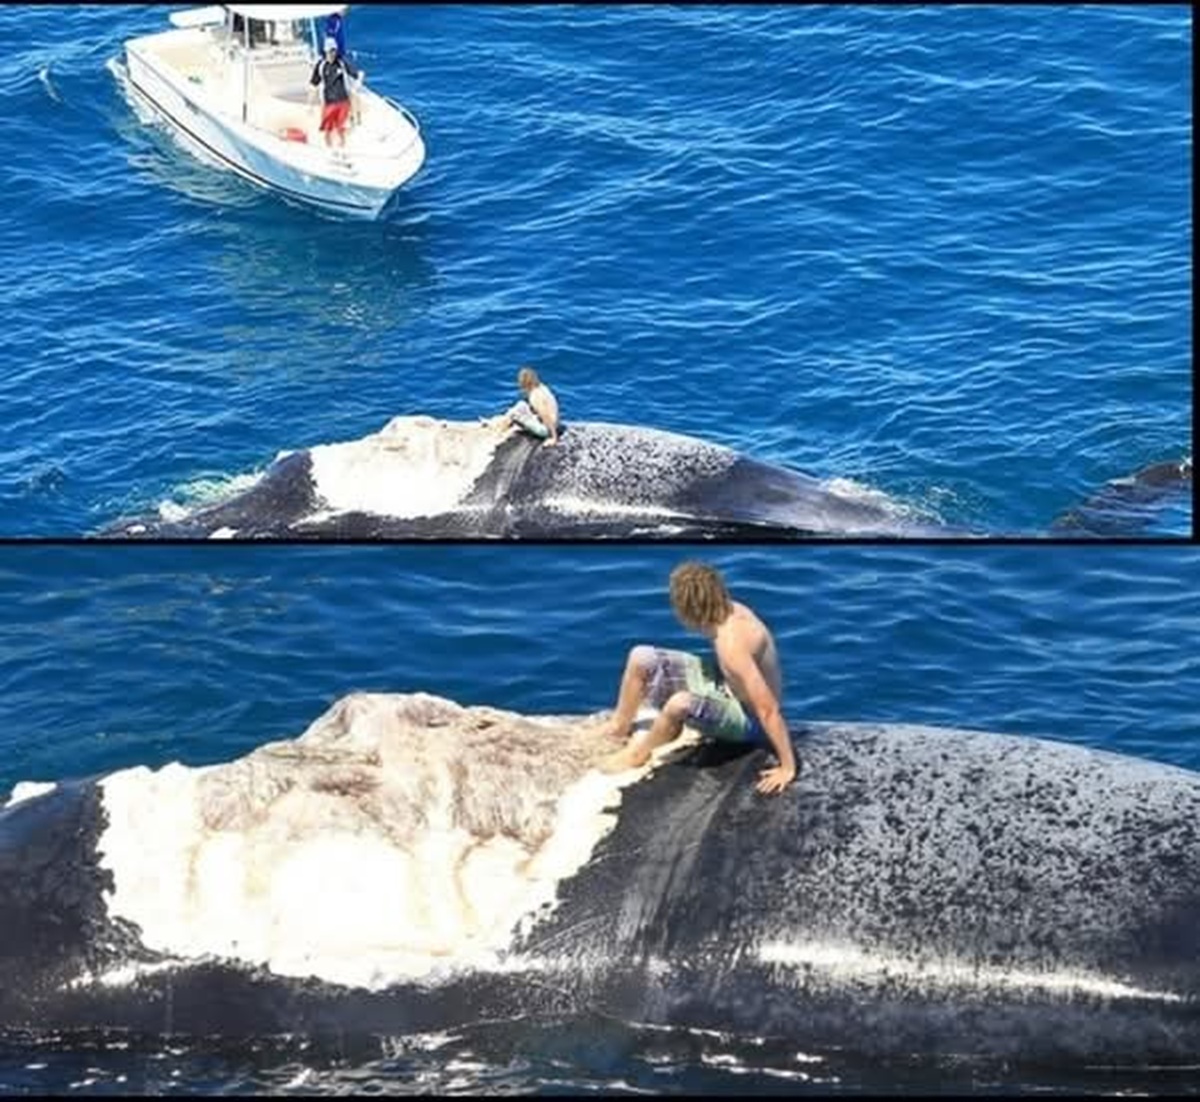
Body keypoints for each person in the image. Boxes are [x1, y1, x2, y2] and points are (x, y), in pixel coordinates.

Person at [599, 561, 798, 795]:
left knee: (679, 704)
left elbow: (768, 708)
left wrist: (787, 766)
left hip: (749, 720)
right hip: (726, 686)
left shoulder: (731, 644)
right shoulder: (729, 609)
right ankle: (619, 727)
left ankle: (639, 754)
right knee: (640, 657)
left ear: (689, 609)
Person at [309, 36, 363, 152]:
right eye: (330, 51)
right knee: (327, 130)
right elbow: (314, 84)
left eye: (334, 50)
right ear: (325, 51)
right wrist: (310, 105)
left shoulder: (342, 63)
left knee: (341, 128)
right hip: (329, 103)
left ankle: (342, 149)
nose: (332, 53)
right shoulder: (321, 65)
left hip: (343, 102)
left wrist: (359, 81)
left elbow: (357, 74)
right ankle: (329, 149)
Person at [490, 367, 561, 446]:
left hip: (545, 430)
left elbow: (545, 415)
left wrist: (553, 437)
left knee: (515, 414)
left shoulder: (534, 397)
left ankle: (499, 430)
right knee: (521, 405)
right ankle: (502, 423)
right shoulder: (541, 387)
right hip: (555, 423)